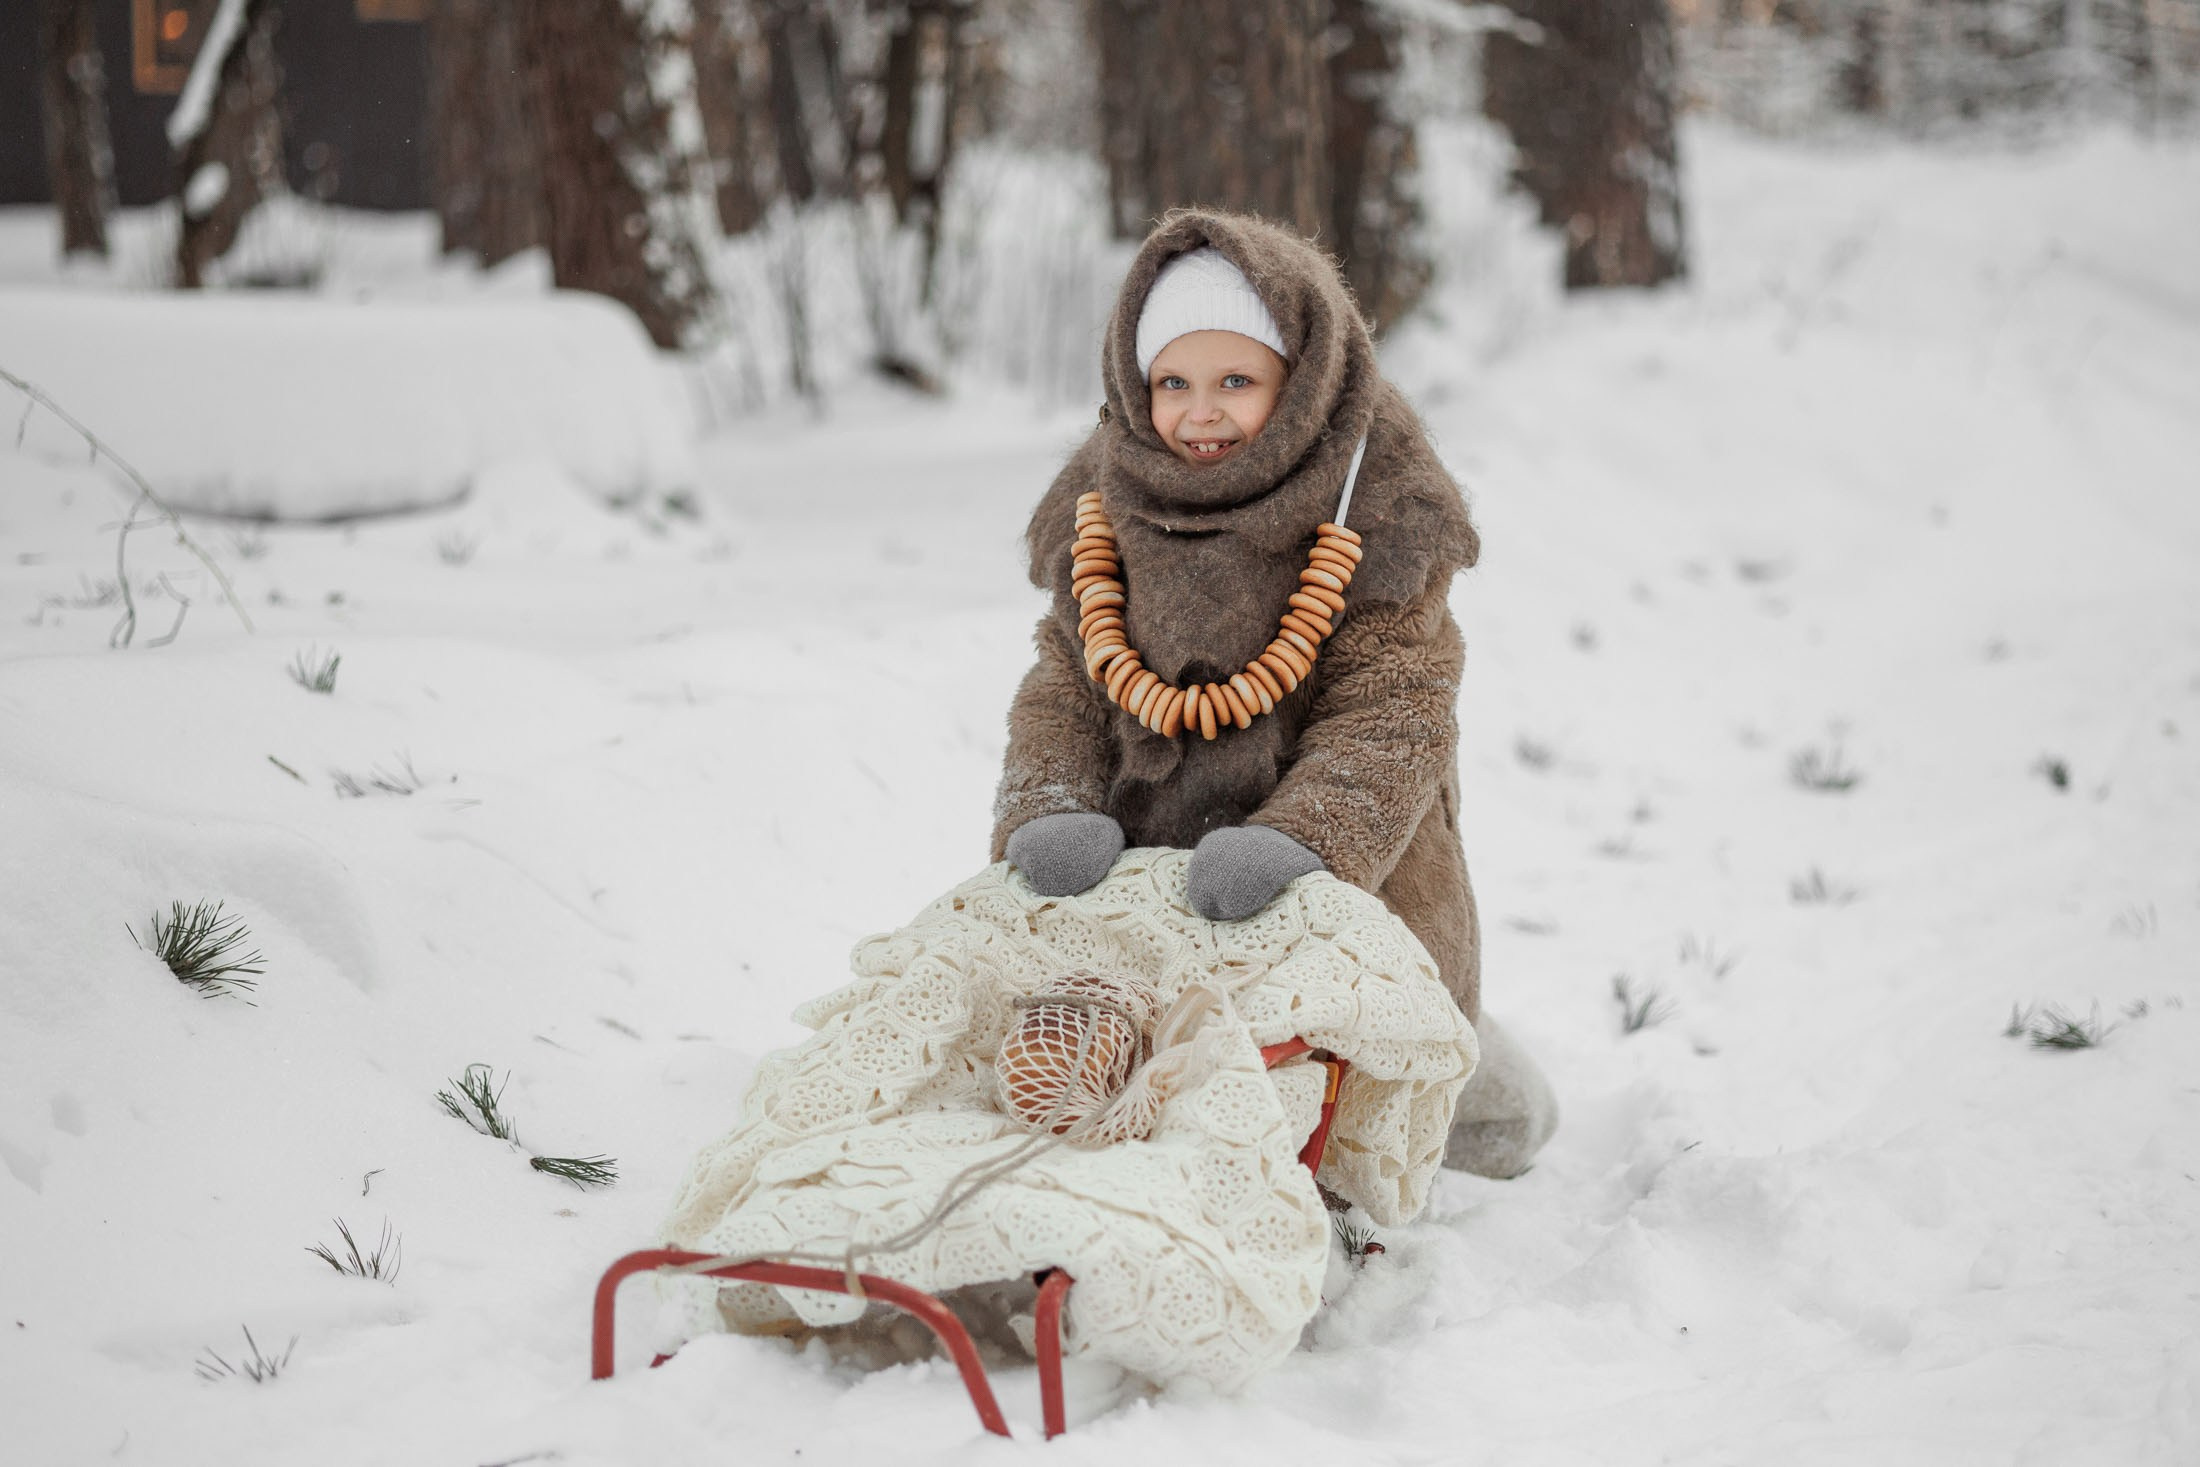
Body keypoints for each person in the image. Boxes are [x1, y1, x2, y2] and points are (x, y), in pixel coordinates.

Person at [990, 208, 1556, 1179]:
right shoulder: (1106, 496)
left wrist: (1303, 841)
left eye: (1236, 383)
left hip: (1334, 876)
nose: (1200, 413)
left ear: (1302, 380)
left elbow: (1394, 708)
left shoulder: (1378, 499)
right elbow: (1067, 682)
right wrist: (1051, 805)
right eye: (1173, 383)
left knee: (1395, 1090)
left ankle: (1467, 1085)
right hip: (1146, 882)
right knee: (1107, 1071)